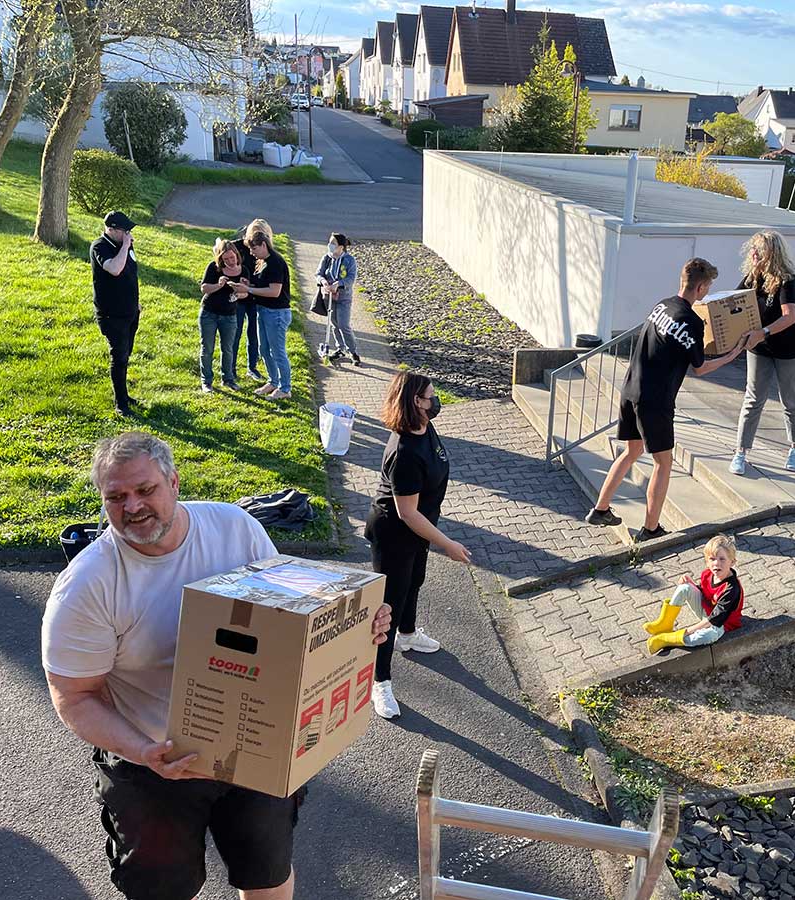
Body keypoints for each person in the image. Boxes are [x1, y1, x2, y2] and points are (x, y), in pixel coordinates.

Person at [41, 432, 392, 900]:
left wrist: (359, 628)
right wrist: (145, 750)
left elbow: (291, 618)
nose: (133, 507)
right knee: (162, 891)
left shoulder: (233, 528)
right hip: (153, 766)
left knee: (267, 874)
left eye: (145, 490)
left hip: (254, 751)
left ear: (173, 481)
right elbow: (74, 696)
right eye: (116, 497)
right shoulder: (89, 586)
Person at [584, 259, 750, 542]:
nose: (708, 292)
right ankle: (650, 529)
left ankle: (600, 509)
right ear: (700, 287)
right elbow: (700, 367)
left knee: (631, 451)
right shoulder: (691, 321)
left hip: (630, 389)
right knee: (663, 462)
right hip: (655, 400)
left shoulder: (661, 305)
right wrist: (734, 353)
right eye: (708, 287)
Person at [364, 371, 472, 719]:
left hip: (419, 530)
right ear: (415, 402)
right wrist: (447, 544)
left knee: (415, 583)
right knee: (387, 607)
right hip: (395, 534)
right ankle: (379, 681)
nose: (435, 400)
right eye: (430, 396)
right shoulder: (405, 452)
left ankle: (407, 635)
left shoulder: (425, 426)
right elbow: (407, 513)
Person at [730, 231, 795, 476]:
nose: (753, 254)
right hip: (760, 347)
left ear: (772, 253)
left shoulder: (788, 280)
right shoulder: (752, 277)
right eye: (752, 248)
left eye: (759, 250)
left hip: (790, 349)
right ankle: (740, 452)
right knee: (753, 399)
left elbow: (790, 317)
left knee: (790, 400)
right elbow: (733, 302)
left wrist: (762, 332)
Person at [642, 534, 744, 654]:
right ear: (707, 561)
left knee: (708, 636)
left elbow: (715, 619)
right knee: (684, 587)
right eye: (712, 559)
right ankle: (665, 624)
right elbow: (706, 593)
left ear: (732, 562)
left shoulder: (731, 589)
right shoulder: (707, 574)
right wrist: (693, 586)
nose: (716, 563)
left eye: (722, 559)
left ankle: (667, 639)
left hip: (721, 625)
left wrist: (688, 631)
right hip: (707, 613)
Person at [91, 210, 140, 416]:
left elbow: (131, 273)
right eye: (124, 230)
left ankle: (125, 394)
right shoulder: (100, 247)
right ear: (111, 229)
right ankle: (121, 404)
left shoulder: (124, 246)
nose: (128, 234)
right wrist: (126, 246)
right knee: (118, 357)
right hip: (112, 315)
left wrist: (136, 304)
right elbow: (114, 269)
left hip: (130, 311)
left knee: (126, 354)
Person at [237, 228, 293, 401]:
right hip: (264, 311)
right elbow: (264, 282)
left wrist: (249, 289)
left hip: (276, 313)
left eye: (253, 248)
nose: (251, 252)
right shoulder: (263, 261)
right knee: (264, 349)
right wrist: (250, 282)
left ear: (263, 245)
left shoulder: (275, 262)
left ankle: (285, 387)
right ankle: (273, 381)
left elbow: (274, 291)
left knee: (278, 351)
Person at [198, 238, 246, 392]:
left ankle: (228, 379)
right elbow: (204, 288)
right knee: (208, 348)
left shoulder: (243, 270)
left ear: (237, 255)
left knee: (228, 349)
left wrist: (238, 292)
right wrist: (219, 285)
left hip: (229, 315)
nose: (230, 261)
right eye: (225, 259)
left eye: (232, 258)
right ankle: (206, 381)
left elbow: (247, 293)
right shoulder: (214, 268)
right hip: (209, 313)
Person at [231, 218, 273, 382]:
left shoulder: (266, 251)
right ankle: (231, 368)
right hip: (240, 297)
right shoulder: (237, 246)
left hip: (255, 296)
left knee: (254, 334)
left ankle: (252, 367)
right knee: (236, 333)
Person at [316, 233, 361, 366]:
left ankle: (353, 351)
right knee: (334, 323)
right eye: (329, 242)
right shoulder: (327, 258)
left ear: (341, 247)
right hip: (328, 296)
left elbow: (350, 278)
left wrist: (338, 284)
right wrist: (323, 281)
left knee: (344, 325)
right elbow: (318, 273)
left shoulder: (349, 260)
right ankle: (340, 348)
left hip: (343, 297)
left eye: (333, 243)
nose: (330, 245)